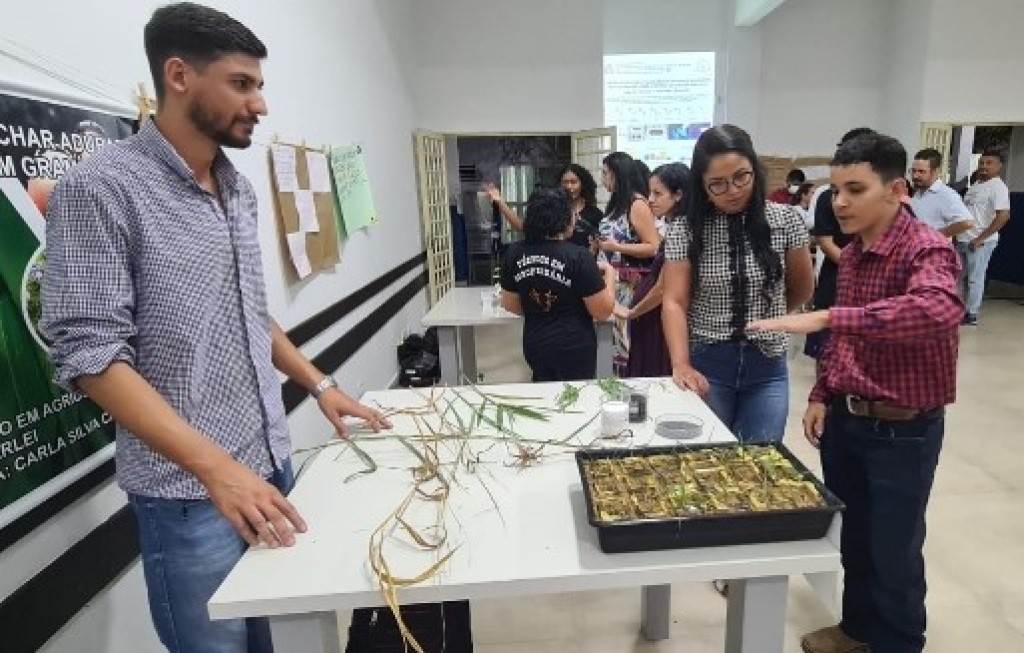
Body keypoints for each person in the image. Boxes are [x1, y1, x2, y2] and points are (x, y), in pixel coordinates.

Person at [39, 5, 390, 652]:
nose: (260, 103)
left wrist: (321, 385)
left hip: (267, 463)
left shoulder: (236, 188)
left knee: (274, 636)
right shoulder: (101, 189)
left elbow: (250, 309)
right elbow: (91, 357)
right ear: (179, 75)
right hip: (188, 494)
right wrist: (216, 469)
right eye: (241, 84)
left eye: (258, 85)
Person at [748, 132, 963, 653]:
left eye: (855, 189)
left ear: (897, 190)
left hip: (901, 429)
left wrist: (826, 315)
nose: (840, 202)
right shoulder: (857, 254)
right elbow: (843, 340)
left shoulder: (927, 250)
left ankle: (897, 642)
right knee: (856, 539)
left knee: (894, 549)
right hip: (849, 419)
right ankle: (858, 631)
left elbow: (937, 309)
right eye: (836, 189)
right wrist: (822, 393)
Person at [661, 125, 813, 443]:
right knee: (708, 460)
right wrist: (681, 364)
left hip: (767, 365)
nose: (732, 190)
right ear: (701, 187)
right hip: (708, 363)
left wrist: (770, 319)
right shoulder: (684, 230)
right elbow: (674, 301)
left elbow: (801, 289)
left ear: (755, 170)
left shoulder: (786, 220)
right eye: (718, 184)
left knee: (762, 461)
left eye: (741, 177)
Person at [499, 188, 616, 381]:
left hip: (536, 345)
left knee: (545, 397)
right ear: (564, 219)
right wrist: (610, 274)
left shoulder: (514, 253)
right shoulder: (578, 256)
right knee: (577, 401)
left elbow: (510, 305)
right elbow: (603, 311)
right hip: (575, 347)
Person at [804, 127, 875, 361]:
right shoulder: (827, 197)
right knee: (826, 349)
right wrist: (853, 267)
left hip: (876, 283)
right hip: (836, 277)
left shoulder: (888, 198)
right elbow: (825, 241)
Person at [616, 162, 690, 377]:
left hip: (656, 315)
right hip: (649, 313)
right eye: (650, 192)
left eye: (658, 193)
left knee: (654, 372)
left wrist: (634, 312)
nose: (650, 200)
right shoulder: (673, 225)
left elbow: (663, 288)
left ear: (678, 195)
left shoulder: (681, 230)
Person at [598, 151, 660, 375]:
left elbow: (653, 246)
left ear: (617, 174)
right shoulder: (617, 203)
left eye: (605, 173)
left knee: (626, 344)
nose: (603, 179)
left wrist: (617, 247)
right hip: (613, 282)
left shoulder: (637, 203)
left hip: (630, 285)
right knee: (615, 346)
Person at [485, 163, 603, 252]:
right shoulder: (552, 209)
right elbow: (523, 226)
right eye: (565, 182)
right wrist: (500, 201)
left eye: (573, 182)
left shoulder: (594, 214)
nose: (569, 186)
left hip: (581, 267)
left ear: (583, 184)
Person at [957, 147, 1011, 325]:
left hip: (980, 242)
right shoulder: (977, 185)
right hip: (964, 239)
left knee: (974, 278)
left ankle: (972, 314)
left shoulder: (998, 187)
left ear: (999, 166)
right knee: (957, 277)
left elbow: (1003, 216)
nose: (984, 166)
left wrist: (980, 238)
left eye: (989, 163)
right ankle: (957, 310)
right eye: (982, 162)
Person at [909, 148, 973, 239]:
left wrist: (934, 236)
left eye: (921, 172)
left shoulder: (946, 194)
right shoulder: (919, 192)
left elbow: (967, 222)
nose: (915, 176)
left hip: (933, 250)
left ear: (935, 171)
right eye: (913, 171)